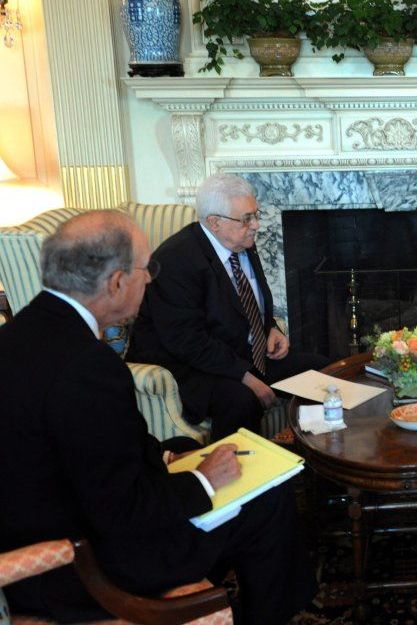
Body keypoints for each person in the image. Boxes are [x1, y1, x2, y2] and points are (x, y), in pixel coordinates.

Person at [0, 211, 314, 624]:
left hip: (47, 519)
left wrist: (166, 460)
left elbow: (86, 453)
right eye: (147, 269)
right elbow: (125, 510)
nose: (150, 280)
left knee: (183, 446)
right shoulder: (88, 367)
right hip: (85, 566)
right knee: (267, 501)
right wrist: (205, 480)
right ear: (116, 282)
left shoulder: (19, 333)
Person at [128, 173, 329, 440]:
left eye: (256, 215)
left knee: (323, 373)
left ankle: (308, 461)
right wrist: (245, 377)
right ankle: (245, 477)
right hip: (188, 368)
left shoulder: (240, 241)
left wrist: (269, 327)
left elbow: (249, 300)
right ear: (214, 222)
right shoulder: (176, 261)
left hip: (238, 352)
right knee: (241, 401)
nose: (256, 225)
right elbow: (187, 340)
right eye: (247, 219)